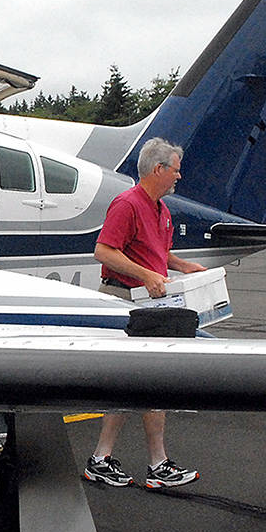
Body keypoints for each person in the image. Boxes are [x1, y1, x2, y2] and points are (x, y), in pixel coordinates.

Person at [83, 137, 206, 489]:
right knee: (139, 382)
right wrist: (146, 275)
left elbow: (159, 254)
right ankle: (138, 462)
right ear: (159, 169)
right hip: (124, 301)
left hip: (149, 304)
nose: (179, 177)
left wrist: (184, 267)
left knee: (147, 382)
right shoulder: (127, 204)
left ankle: (129, 460)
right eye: (176, 170)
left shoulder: (160, 210)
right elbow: (105, 251)